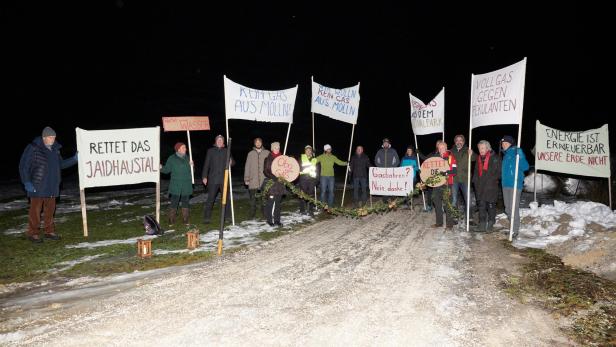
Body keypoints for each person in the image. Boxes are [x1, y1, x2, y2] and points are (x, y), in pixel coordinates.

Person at [19, 126, 78, 243]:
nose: (53, 139)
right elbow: (23, 166)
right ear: (44, 137)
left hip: (52, 184)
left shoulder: (55, 150)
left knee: (50, 210)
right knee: (35, 210)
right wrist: (27, 182)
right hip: (37, 184)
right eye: (50, 137)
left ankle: (49, 231)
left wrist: (74, 159)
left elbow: (61, 165)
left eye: (54, 137)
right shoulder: (33, 148)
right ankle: (33, 233)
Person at [501, 135, 529, 238]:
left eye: (506, 143)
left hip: (515, 184)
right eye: (503, 143)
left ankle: (515, 230)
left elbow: (525, 167)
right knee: (508, 208)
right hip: (505, 185)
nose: (504, 145)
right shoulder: (505, 155)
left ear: (511, 143)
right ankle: (512, 228)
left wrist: (520, 156)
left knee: (514, 208)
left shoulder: (516, 152)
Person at [202, 135, 234, 224]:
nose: (219, 141)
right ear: (216, 141)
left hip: (224, 178)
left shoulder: (227, 151)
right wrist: (204, 176)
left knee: (226, 199)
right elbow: (206, 164)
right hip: (213, 179)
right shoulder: (210, 151)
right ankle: (207, 217)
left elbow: (233, 162)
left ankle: (227, 217)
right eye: (218, 140)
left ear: (223, 142)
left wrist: (231, 162)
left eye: (221, 140)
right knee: (211, 198)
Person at [160, 142, 194, 226]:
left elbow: (192, 172)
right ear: (178, 149)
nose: (185, 149)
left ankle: (185, 219)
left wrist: (192, 166)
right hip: (176, 184)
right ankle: (171, 219)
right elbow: (167, 170)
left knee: (185, 202)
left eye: (185, 147)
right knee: (174, 202)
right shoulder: (172, 158)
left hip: (186, 183)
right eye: (183, 148)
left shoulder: (188, 158)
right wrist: (161, 168)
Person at [472, 140, 501, 232]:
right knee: (481, 206)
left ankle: (491, 224)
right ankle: (482, 225)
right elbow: (476, 173)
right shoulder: (479, 159)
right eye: (479, 148)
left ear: (488, 148)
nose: (481, 150)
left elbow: (498, 173)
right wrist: (475, 182)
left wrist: (490, 182)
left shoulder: (495, 158)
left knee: (491, 205)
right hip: (480, 187)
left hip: (491, 187)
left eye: (483, 148)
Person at [430, 140, 457, 229]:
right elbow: (430, 170)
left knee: (447, 204)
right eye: (440, 148)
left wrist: (445, 173)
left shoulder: (451, 157)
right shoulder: (435, 158)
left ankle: (449, 225)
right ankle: (439, 223)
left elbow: (454, 171)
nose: (441, 149)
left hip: (447, 183)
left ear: (446, 148)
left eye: (443, 148)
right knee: (436, 202)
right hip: (437, 184)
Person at [450, 135, 476, 218]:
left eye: (461, 140)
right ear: (455, 142)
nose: (459, 142)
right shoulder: (450, 152)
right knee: (454, 199)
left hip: (465, 179)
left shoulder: (468, 150)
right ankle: (454, 217)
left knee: (468, 200)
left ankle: (470, 218)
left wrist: (472, 154)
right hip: (454, 179)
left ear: (464, 142)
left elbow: (475, 158)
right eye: (457, 140)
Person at [244, 137, 270, 220]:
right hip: (253, 180)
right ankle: (252, 214)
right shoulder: (250, 153)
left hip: (264, 180)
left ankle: (265, 214)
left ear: (262, 143)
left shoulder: (267, 152)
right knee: (253, 200)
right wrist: (246, 178)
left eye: (259, 142)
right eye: (256, 142)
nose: (258, 143)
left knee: (264, 199)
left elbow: (270, 165)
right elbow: (247, 166)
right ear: (254, 144)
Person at [263, 142, 286, 226]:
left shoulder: (282, 158)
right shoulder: (268, 158)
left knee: (278, 203)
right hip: (272, 184)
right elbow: (265, 171)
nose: (277, 149)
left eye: (278, 148)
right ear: (272, 149)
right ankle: (269, 220)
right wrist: (274, 177)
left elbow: (285, 170)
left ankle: (277, 220)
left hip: (280, 184)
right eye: (275, 148)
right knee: (270, 202)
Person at [298, 145, 318, 215]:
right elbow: (297, 168)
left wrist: (316, 181)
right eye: (307, 150)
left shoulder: (315, 160)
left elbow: (318, 171)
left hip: (312, 180)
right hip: (303, 179)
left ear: (311, 151)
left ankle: (310, 210)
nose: (308, 151)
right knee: (302, 195)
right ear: (305, 151)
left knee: (311, 195)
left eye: (310, 150)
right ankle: (302, 210)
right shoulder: (301, 158)